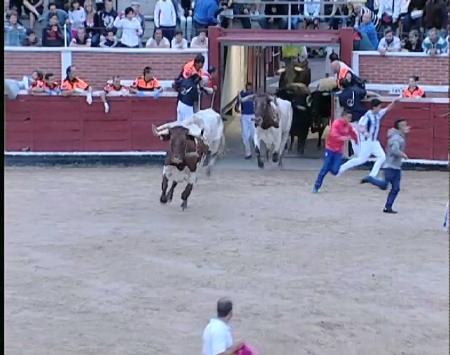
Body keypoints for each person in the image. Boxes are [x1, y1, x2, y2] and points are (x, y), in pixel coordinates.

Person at [338, 97, 401, 178]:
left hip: (374, 142)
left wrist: (394, 102)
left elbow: (387, 109)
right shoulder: (367, 116)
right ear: (374, 107)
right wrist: (366, 133)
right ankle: (341, 169)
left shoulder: (378, 114)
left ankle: (372, 175)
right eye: (379, 106)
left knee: (382, 157)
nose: (380, 108)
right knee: (361, 160)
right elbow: (360, 127)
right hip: (367, 142)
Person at [361, 119, 410, 214]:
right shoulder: (396, 138)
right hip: (390, 166)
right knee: (384, 185)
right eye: (404, 125)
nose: (406, 127)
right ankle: (370, 179)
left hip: (396, 167)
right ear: (399, 128)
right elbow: (394, 150)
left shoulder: (399, 137)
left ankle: (388, 207)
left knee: (396, 188)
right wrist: (402, 154)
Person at [313, 110, 358, 193]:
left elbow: (353, 133)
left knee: (335, 170)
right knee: (324, 169)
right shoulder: (336, 123)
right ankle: (317, 186)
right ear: (343, 116)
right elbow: (333, 134)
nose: (350, 119)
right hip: (330, 149)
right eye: (348, 117)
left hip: (338, 151)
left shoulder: (348, 126)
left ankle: (329, 166)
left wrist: (357, 141)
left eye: (350, 118)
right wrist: (344, 138)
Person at [235, 83, 256, 159]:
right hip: (245, 116)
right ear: (246, 88)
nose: (249, 89)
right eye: (248, 88)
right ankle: (248, 152)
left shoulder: (254, 95)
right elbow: (238, 104)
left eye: (250, 88)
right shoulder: (242, 94)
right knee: (245, 135)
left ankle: (256, 150)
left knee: (254, 134)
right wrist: (237, 107)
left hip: (252, 116)